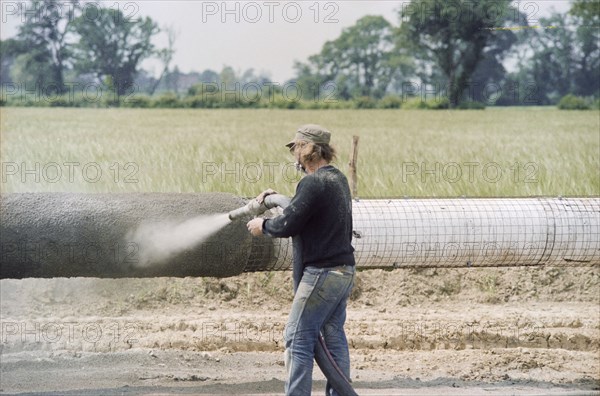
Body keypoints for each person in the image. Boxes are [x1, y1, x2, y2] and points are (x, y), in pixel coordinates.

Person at [246, 124, 356, 396]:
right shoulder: (336, 179)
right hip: (343, 271)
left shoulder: (313, 182)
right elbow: (303, 208)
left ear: (308, 150)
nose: (294, 153)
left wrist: (264, 225)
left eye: (296, 147)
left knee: (297, 338)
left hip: (321, 274)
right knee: (333, 337)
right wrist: (274, 198)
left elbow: (289, 223)